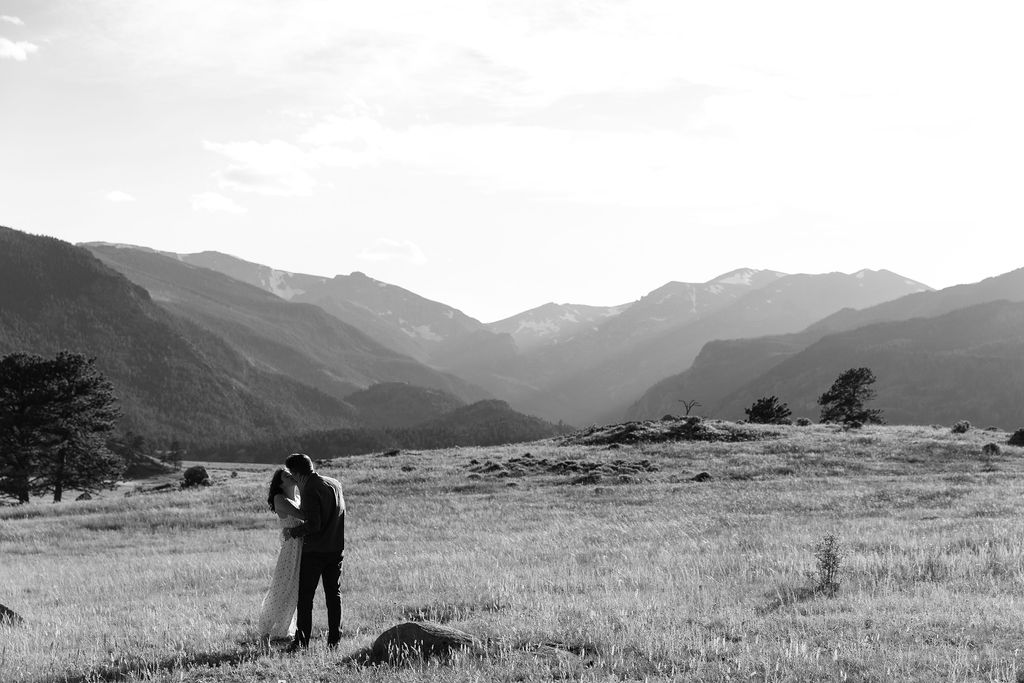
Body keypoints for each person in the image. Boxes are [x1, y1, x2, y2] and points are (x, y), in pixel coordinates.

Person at [283, 453, 345, 651]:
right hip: (336, 548)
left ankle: (301, 642)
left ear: (296, 472)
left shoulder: (310, 488)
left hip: (315, 550)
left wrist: (293, 532)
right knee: (333, 595)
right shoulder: (334, 483)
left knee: (306, 597)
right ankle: (334, 640)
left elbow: (314, 525)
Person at [257, 468, 305, 640]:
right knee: (281, 587)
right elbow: (304, 515)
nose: (291, 475)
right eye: (286, 475)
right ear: (280, 483)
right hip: (291, 548)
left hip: (302, 546)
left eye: (292, 473)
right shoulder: (280, 499)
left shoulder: (298, 497)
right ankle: (265, 632)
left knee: (295, 590)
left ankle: (285, 630)